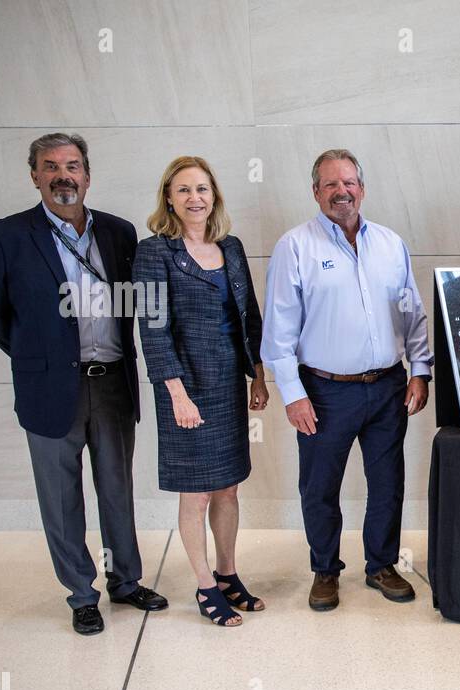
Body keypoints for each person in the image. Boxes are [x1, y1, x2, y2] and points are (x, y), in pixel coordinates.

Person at [0, 132, 168, 635]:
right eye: (51, 166)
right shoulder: (4, 237)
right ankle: (82, 594)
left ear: (87, 174)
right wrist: (40, 360)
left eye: (73, 166)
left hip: (113, 384)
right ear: (35, 175)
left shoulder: (119, 233)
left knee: (117, 488)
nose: (64, 175)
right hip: (50, 389)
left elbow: (136, 304)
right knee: (61, 497)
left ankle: (126, 581)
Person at [261, 149, 432, 612]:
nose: (342, 191)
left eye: (350, 182)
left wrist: (420, 370)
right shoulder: (295, 246)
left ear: (362, 187)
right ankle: (325, 570)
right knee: (320, 487)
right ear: (316, 192)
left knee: (387, 481)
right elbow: (277, 332)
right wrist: (293, 395)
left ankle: (381, 565)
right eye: (331, 184)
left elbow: (412, 314)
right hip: (324, 391)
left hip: (388, 386)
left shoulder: (391, 244)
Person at [134, 157, 268, 627]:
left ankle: (227, 573)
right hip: (184, 388)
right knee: (196, 494)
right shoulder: (154, 252)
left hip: (228, 383)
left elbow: (249, 315)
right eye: (184, 190)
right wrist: (175, 392)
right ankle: (205, 586)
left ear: (215, 196)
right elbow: (152, 326)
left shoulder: (231, 247)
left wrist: (258, 375)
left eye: (203, 189)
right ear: (168, 197)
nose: (195, 198)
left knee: (228, 486)